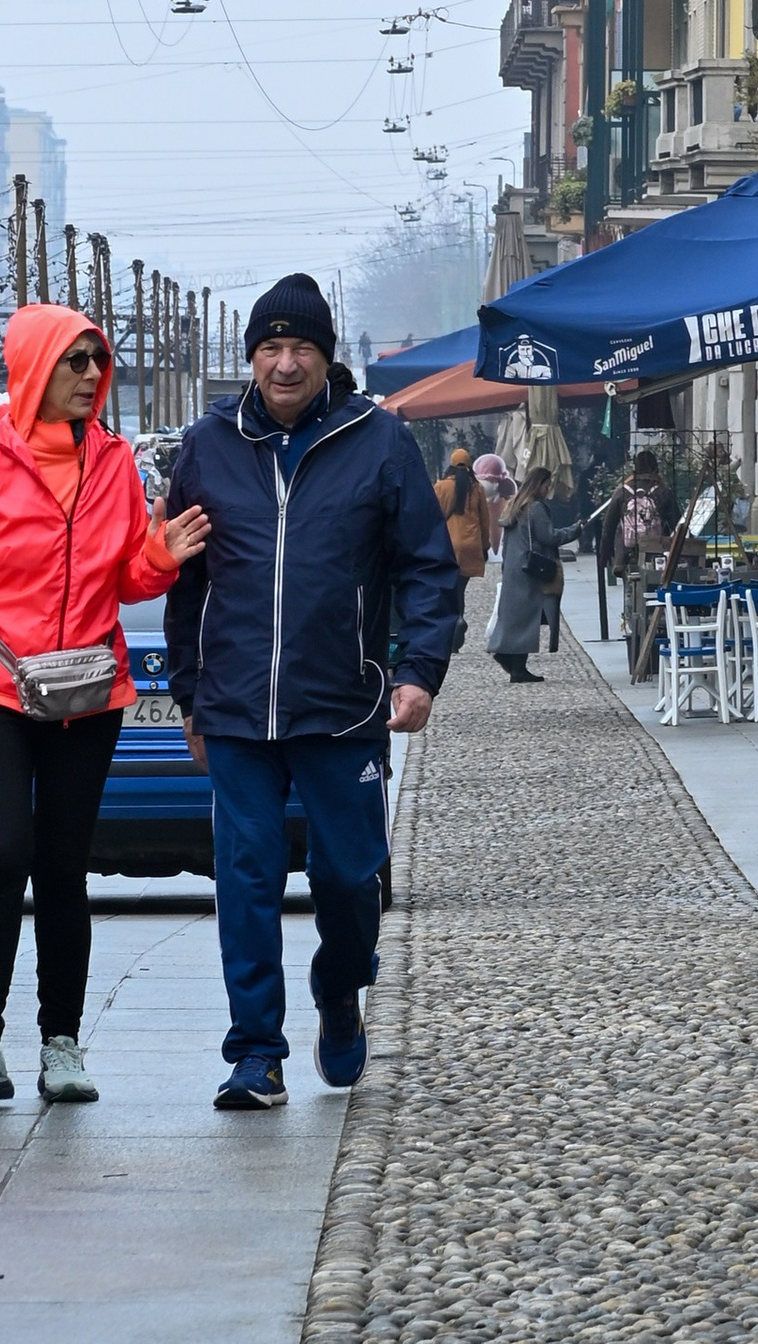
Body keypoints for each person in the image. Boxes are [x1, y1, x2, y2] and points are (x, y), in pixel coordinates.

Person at [0, 305, 211, 1107]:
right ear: (34, 368)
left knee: (63, 867)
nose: (88, 376)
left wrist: (159, 557)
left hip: (88, 689)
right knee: (0, 854)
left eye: (94, 362)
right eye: (73, 362)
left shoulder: (112, 462)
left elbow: (125, 581)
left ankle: (62, 1045)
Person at [166, 274, 461, 1113]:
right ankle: (256, 1053)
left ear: (326, 359)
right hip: (237, 709)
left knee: (348, 878)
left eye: (301, 349)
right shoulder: (208, 444)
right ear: (251, 358)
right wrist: (191, 693)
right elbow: (186, 585)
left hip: (344, 704)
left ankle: (340, 986)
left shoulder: (379, 440)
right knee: (247, 878)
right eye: (270, 349)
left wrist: (418, 672)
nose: (285, 364)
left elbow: (427, 570)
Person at [486, 463, 563, 683]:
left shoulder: (515, 505)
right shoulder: (535, 508)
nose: (548, 490)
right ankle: (517, 666)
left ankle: (511, 659)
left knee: (518, 618)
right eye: (547, 485)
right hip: (531, 569)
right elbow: (548, 536)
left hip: (514, 567)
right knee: (528, 618)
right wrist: (575, 530)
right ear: (539, 485)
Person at [436, 444, 490, 583]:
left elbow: (434, 518)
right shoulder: (477, 488)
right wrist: (485, 547)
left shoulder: (441, 487)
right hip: (471, 545)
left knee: (449, 589)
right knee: (460, 589)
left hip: (448, 545)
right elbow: (485, 521)